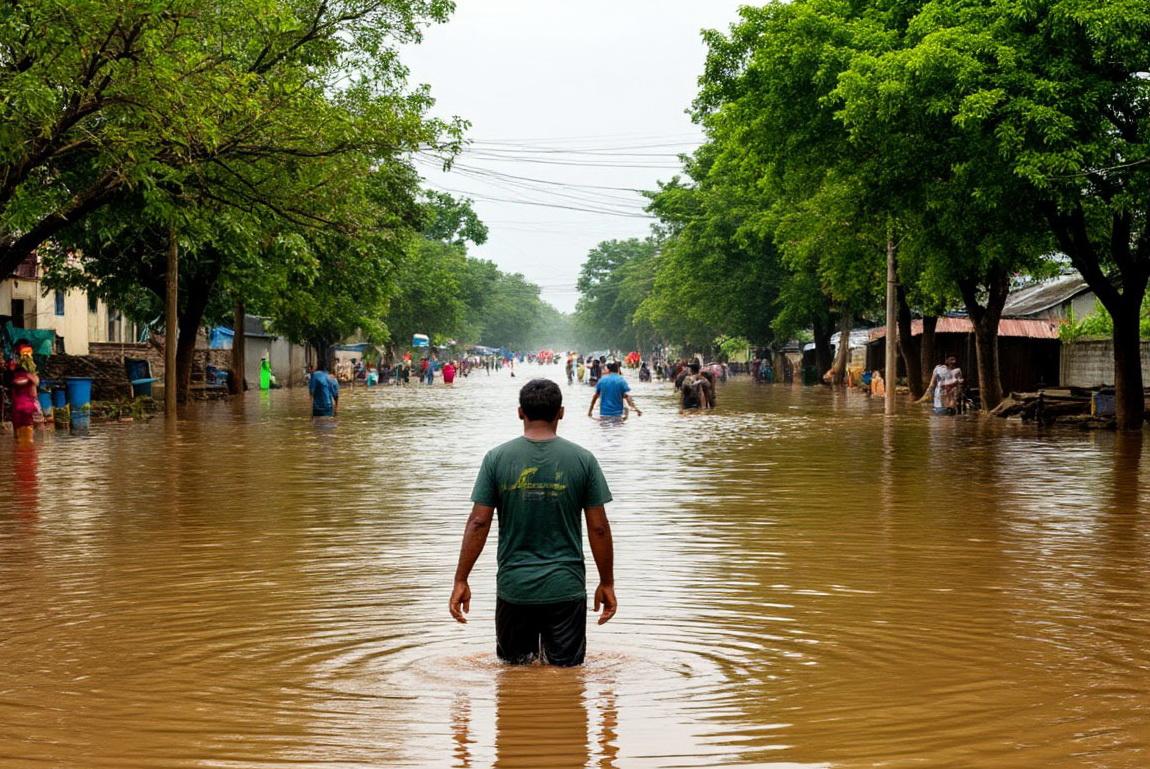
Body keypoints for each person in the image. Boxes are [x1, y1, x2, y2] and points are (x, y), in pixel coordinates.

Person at [450, 378, 616, 667]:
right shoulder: (583, 460)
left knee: (514, 674)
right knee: (566, 677)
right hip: (565, 588)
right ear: (561, 413)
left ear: (520, 412)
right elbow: (598, 528)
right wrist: (607, 582)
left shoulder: (496, 459)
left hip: (515, 589)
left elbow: (478, 523)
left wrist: (461, 578)